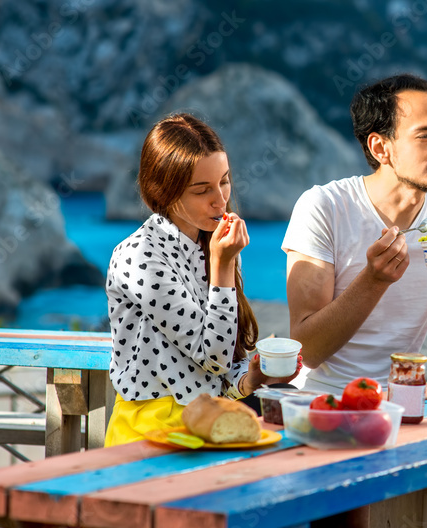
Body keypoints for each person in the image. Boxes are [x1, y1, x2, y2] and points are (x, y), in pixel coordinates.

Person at [283, 72, 427, 390]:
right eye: (425, 136)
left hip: (404, 398)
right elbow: (307, 352)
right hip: (319, 400)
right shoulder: (324, 207)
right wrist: (373, 280)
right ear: (381, 148)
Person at [104, 113, 300, 446]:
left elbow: (216, 374)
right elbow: (211, 357)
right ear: (162, 192)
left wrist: (251, 378)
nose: (220, 200)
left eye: (224, 181)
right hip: (151, 432)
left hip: (207, 422)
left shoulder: (207, 245)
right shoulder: (140, 256)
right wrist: (224, 266)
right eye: (202, 190)